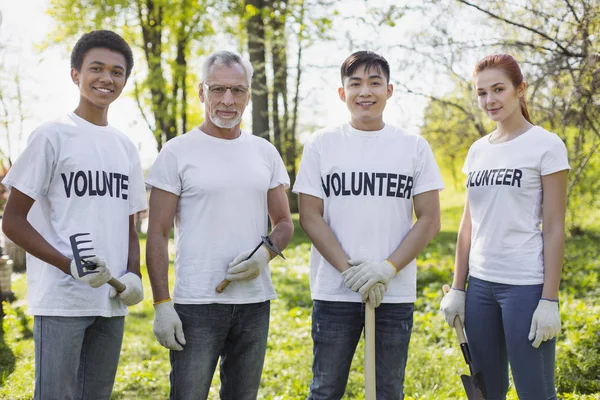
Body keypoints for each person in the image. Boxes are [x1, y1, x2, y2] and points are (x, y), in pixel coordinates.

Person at [1, 30, 147, 399]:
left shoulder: (126, 146)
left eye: (116, 71)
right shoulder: (51, 136)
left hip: (111, 299)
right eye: (96, 68)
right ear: (75, 74)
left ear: (125, 80)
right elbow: (13, 221)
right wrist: (68, 265)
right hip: (62, 298)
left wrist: (134, 272)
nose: (106, 78)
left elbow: (129, 222)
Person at [293, 51, 444, 400]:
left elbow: (431, 219)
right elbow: (310, 216)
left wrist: (386, 269)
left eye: (374, 83)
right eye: (355, 83)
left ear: (389, 90)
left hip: (394, 292)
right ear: (342, 93)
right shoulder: (321, 144)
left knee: (388, 390)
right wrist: (350, 272)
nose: (365, 92)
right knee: (325, 389)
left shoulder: (413, 147)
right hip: (334, 291)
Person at [146, 50, 294, 400]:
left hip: (254, 303)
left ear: (247, 94)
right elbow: (157, 233)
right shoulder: (177, 152)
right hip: (195, 304)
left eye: (238, 90)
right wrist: (161, 304)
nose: (228, 100)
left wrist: (266, 255)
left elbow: (285, 223)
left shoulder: (264, 152)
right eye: (217, 89)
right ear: (201, 92)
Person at [440, 54, 569, 400]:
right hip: (480, 286)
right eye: (482, 93)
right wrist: (458, 287)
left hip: (525, 287)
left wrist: (549, 299)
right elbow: (468, 224)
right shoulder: (478, 151)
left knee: (535, 391)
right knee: (487, 392)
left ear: (520, 90)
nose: (490, 100)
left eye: (498, 89)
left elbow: (555, 227)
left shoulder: (546, 145)